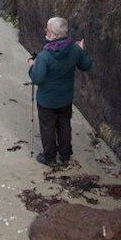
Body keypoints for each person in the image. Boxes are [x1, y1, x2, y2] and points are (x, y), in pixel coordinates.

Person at [27, 16, 92, 166]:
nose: (45, 31)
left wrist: (32, 65)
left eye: (47, 29)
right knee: (64, 125)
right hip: (65, 98)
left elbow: (37, 78)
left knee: (47, 128)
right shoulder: (75, 49)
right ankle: (65, 155)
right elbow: (86, 65)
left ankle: (49, 157)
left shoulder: (44, 56)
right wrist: (82, 51)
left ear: (54, 35)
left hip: (47, 100)